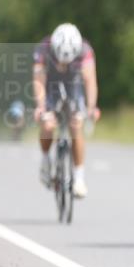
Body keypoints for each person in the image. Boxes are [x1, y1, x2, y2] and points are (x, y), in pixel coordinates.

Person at [33, 23, 100, 198]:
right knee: (48, 125)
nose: (63, 63)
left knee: (76, 125)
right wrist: (41, 107)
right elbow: (39, 81)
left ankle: (79, 178)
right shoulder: (43, 49)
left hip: (73, 84)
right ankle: (46, 159)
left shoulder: (85, 50)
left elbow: (90, 82)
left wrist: (91, 109)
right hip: (51, 85)